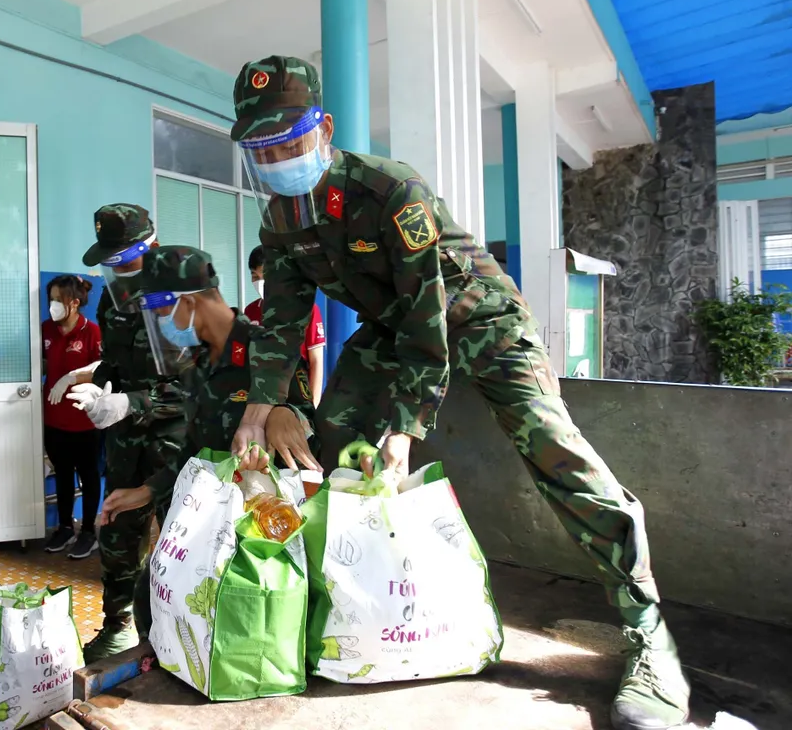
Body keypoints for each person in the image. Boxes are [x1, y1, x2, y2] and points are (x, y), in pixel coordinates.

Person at [226, 55, 689, 730]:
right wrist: (258, 410)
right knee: (330, 433)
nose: (277, 156)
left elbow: (426, 310)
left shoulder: (389, 189)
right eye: (260, 147)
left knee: (556, 453)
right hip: (394, 333)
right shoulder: (281, 222)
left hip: (482, 321)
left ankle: (650, 634)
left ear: (323, 127)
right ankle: (341, 603)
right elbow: (286, 324)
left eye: (288, 139)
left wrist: (407, 431)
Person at [98, 245, 317, 639]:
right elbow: (190, 452)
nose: (162, 323)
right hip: (209, 519)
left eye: (163, 312)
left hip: (261, 525)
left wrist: (285, 413)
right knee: (155, 603)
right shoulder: (198, 366)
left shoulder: (264, 350)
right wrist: (145, 491)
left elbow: (309, 425)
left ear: (188, 302)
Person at [64, 204, 189, 662]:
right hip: (126, 436)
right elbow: (117, 362)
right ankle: (117, 627)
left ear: (150, 246)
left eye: (123, 261)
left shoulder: (181, 294)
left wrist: (130, 403)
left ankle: (181, 633)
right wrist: (99, 385)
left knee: (182, 537)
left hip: (175, 438)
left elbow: (196, 387)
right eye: (109, 263)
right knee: (117, 531)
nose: (115, 271)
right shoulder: (113, 297)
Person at [41, 274, 103, 559]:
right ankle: (65, 527)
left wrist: (71, 378)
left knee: (89, 478)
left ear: (75, 303)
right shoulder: (45, 331)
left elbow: (102, 371)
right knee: (63, 475)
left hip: (86, 423)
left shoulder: (92, 333)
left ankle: (89, 532)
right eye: (50, 299)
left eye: (58, 300)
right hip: (54, 421)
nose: (53, 305)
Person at [243, 244, 326, 406]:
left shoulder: (306, 309)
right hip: (263, 395)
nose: (260, 282)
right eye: (254, 276)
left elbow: (316, 361)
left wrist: (313, 405)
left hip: (297, 393)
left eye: (264, 275)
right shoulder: (250, 311)